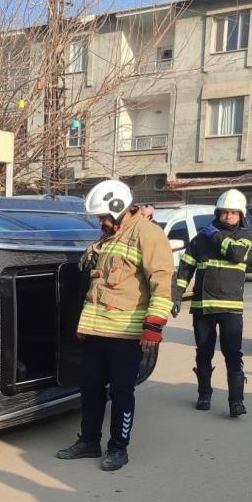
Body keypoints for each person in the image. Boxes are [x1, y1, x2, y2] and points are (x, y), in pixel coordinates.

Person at [57, 180, 175, 471]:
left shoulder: (148, 235)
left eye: (104, 217)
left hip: (126, 333)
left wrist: (154, 327)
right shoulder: (108, 238)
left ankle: (118, 447)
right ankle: (88, 441)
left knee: (122, 392)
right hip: (97, 330)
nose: (101, 222)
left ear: (119, 209)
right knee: (91, 388)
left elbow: (162, 283)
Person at [172, 188, 252, 418]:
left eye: (233, 213)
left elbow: (237, 255)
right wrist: (177, 294)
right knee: (203, 353)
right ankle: (204, 394)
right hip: (203, 307)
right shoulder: (200, 239)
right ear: (218, 213)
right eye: (224, 212)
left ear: (241, 216)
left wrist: (214, 235)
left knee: (233, 355)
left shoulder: (245, 237)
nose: (228, 216)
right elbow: (185, 268)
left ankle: (236, 401)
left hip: (230, 309)